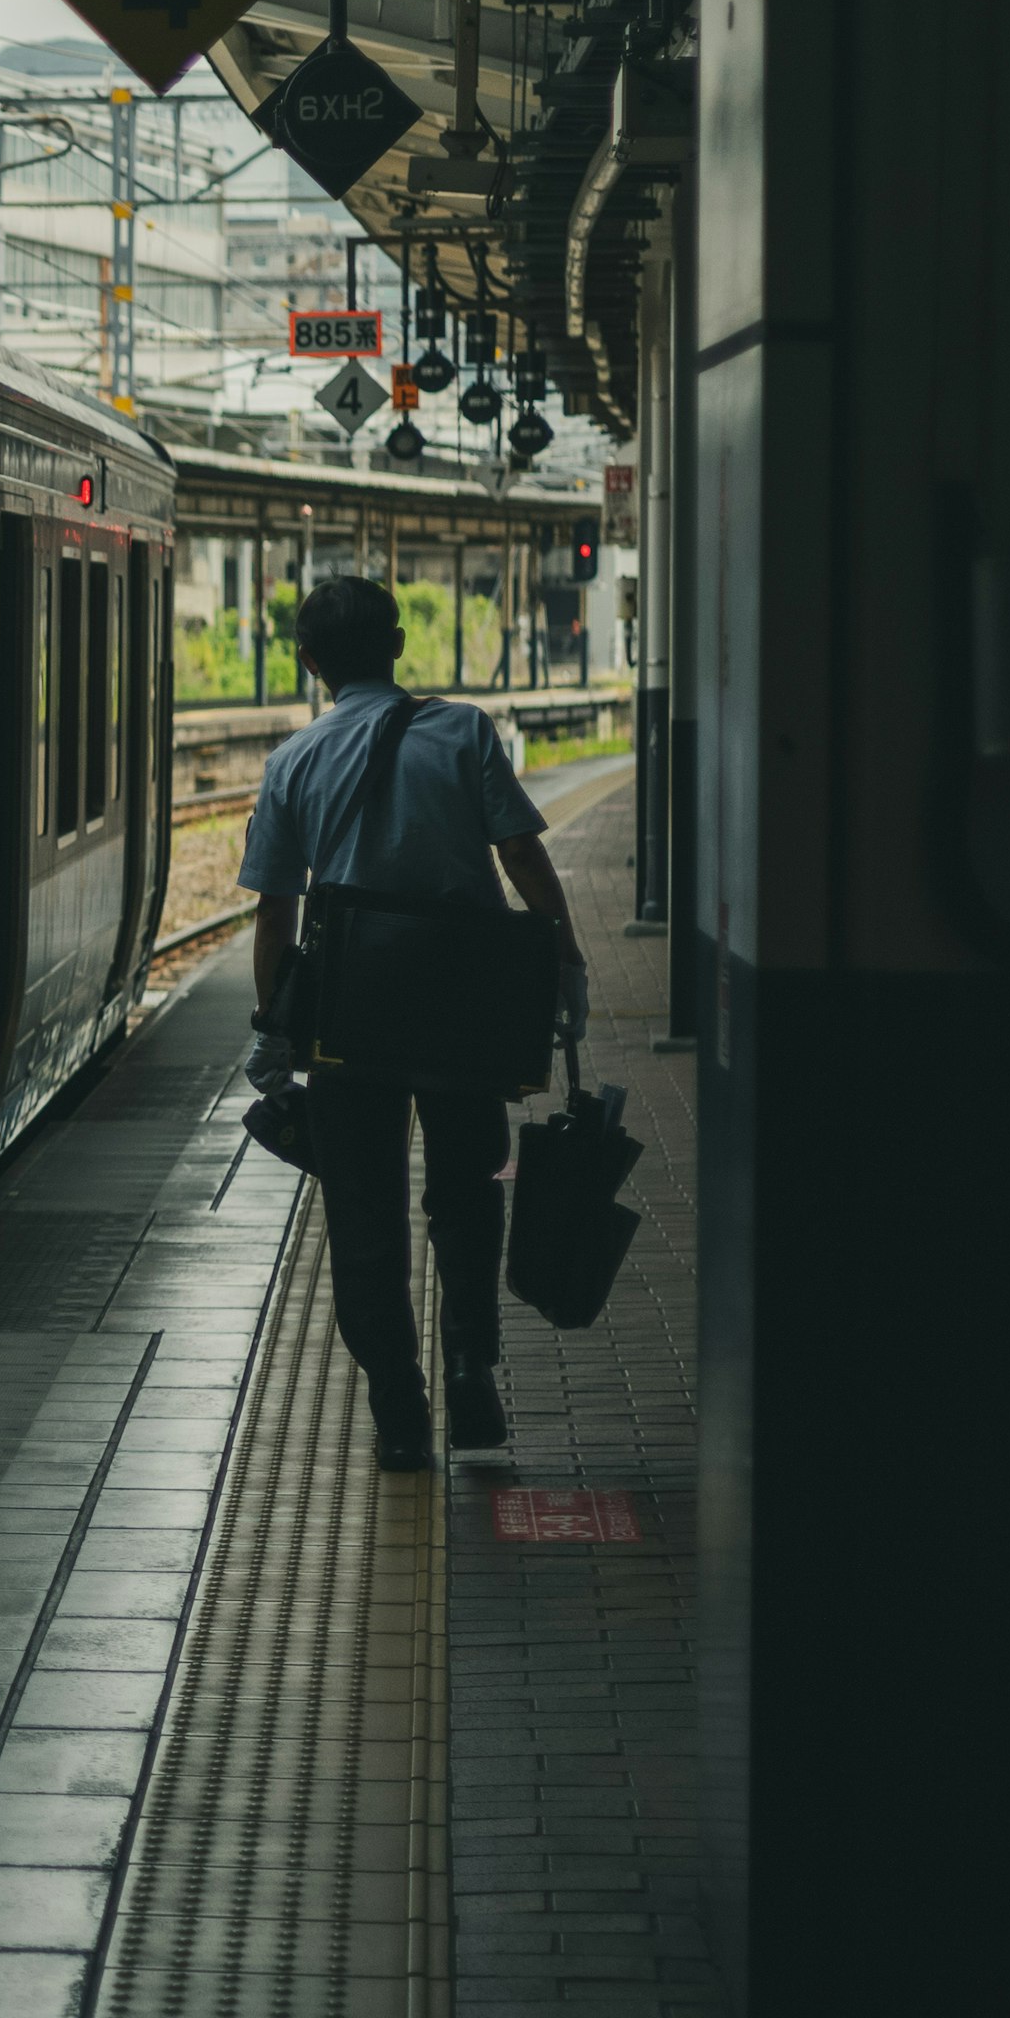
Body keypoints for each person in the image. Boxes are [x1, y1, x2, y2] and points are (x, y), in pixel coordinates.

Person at [238, 576, 589, 1470]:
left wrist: (276, 1025)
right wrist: (566, 964)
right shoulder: (465, 729)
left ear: (311, 663)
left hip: (351, 1015)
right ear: (397, 647)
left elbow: (275, 913)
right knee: (467, 1195)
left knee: (363, 1217)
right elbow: (522, 858)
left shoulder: (293, 762)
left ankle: (399, 1411)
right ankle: (471, 1369)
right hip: (466, 1010)